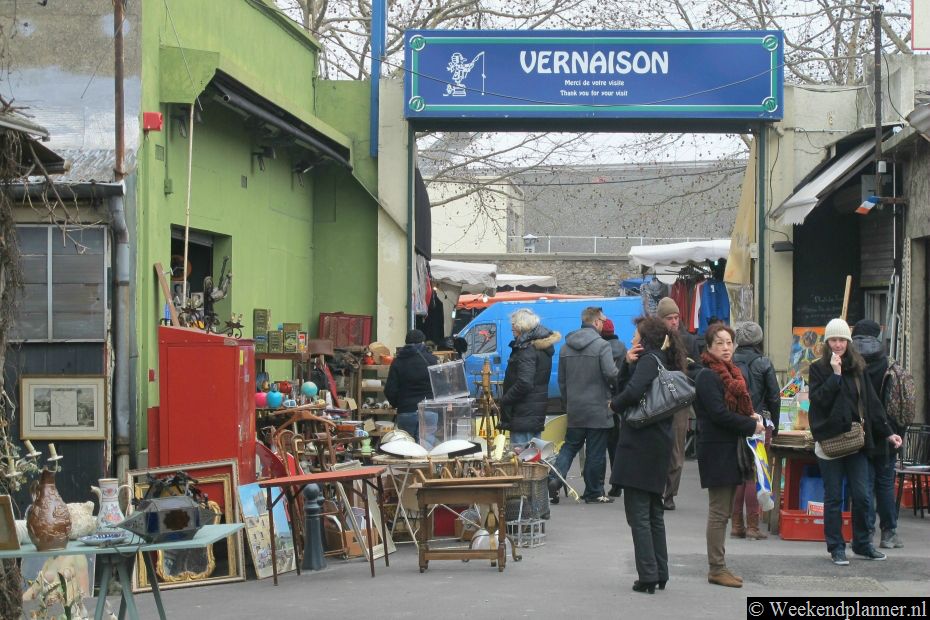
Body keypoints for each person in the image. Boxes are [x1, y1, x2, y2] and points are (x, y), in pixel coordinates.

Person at [809, 318, 902, 566]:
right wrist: (835, 375)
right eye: (833, 340)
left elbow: (872, 405)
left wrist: (887, 432)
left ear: (849, 343)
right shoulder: (818, 368)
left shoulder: (858, 367)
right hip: (830, 442)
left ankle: (862, 544)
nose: (838, 344)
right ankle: (836, 547)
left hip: (856, 440)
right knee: (833, 498)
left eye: (842, 340)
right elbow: (819, 401)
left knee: (862, 495)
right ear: (827, 342)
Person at [608, 316, 686, 593]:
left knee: (638, 513)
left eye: (635, 335)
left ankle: (648, 575)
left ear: (645, 339)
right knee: (653, 512)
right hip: (657, 442)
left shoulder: (649, 360)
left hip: (641, 443)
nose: (632, 339)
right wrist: (627, 364)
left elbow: (631, 392)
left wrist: (614, 404)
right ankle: (659, 572)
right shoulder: (661, 359)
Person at [694, 323, 764, 588]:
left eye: (729, 342)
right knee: (719, 511)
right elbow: (718, 414)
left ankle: (720, 566)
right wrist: (750, 424)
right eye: (720, 343)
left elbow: (731, 410)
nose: (726, 347)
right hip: (716, 448)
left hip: (729, 447)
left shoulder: (731, 373)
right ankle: (716, 568)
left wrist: (750, 415)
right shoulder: (708, 376)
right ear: (710, 347)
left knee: (722, 510)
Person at [549, 306, 618, 504]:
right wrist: (614, 391)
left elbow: (561, 381)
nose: (603, 324)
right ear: (596, 322)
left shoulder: (565, 347)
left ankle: (554, 479)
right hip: (598, 407)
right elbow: (611, 374)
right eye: (602, 321)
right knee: (595, 451)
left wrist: (568, 402)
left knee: (570, 446)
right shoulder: (602, 346)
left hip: (575, 407)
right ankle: (594, 491)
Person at [851, 318, 903, 549]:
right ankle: (889, 533)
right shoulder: (887, 362)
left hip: (860, 433)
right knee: (884, 483)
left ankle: (866, 532)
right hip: (887, 432)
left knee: (865, 485)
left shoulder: (850, 362)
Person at [730, 321, 781, 540]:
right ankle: (752, 525)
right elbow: (774, 397)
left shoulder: (729, 362)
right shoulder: (763, 363)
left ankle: (736, 524)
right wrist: (775, 425)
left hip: (733, 422)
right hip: (758, 423)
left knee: (737, 474)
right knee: (753, 472)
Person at [656, 297, 700, 511]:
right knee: (657, 446)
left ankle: (670, 493)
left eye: (676, 318)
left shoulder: (688, 340)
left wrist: (685, 370)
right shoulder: (654, 338)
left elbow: (698, 369)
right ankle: (656, 489)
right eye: (669, 318)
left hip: (680, 400)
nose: (674, 322)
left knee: (676, 449)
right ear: (661, 319)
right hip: (658, 400)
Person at [499, 308, 561, 446]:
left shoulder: (527, 349)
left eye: (514, 323)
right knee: (532, 458)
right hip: (532, 412)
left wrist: (506, 399)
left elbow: (525, 383)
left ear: (522, 326)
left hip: (523, 413)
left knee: (521, 461)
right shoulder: (539, 348)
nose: (512, 327)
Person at [384, 329, 439, 442]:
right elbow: (440, 385)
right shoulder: (432, 360)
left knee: (408, 447)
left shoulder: (398, 361)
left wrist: (398, 404)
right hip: (429, 410)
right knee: (426, 448)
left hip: (406, 411)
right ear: (423, 342)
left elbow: (390, 390)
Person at [602, 318, 628, 498]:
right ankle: (617, 483)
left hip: (605, 399)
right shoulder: (623, 347)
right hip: (620, 398)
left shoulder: (601, 348)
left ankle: (598, 485)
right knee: (616, 445)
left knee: (600, 445)